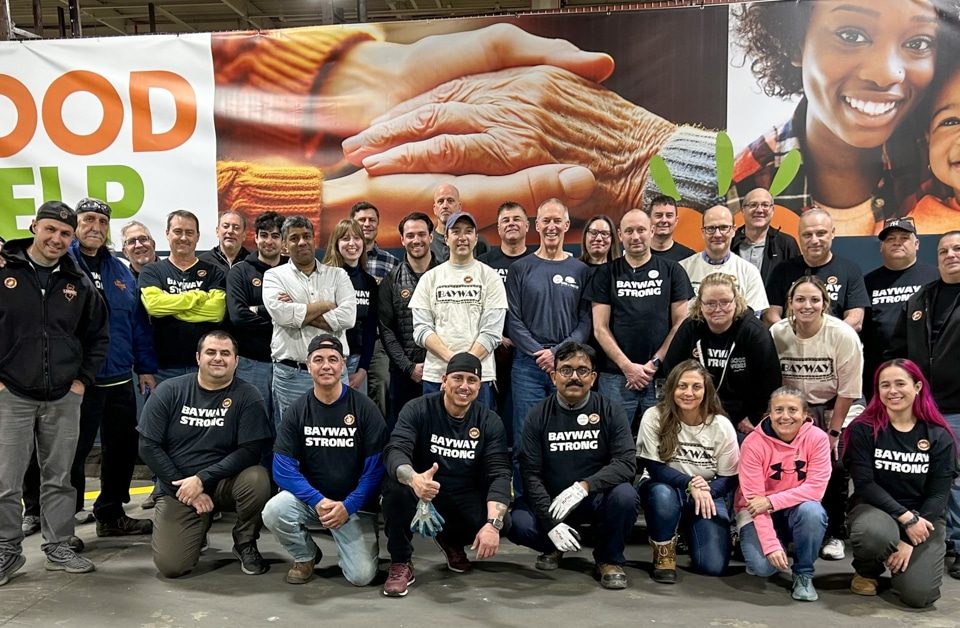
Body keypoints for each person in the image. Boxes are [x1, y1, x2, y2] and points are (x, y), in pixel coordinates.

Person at [729, 0, 944, 233]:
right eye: (851, 36)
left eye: (918, 43)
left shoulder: (942, 167)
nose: (886, 74)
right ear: (794, 42)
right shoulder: (743, 186)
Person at [0, 201, 109, 585]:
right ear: (34, 227)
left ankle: (59, 545)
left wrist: (81, 381)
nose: (57, 239)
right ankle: (6, 550)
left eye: (65, 233)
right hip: (10, 393)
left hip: (64, 394)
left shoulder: (77, 281)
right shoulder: (4, 271)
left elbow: (98, 335)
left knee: (60, 477)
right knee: (5, 479)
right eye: (50, 230)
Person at [138, 331, 273, 578]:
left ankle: (244, 541)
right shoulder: (169, 391)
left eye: (225, 353)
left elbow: (250, 451)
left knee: (258, 479)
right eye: (211, 352)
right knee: (172, 567)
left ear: (236, 360)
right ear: (198, 357)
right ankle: (197, 528)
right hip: (178, 486)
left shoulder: (248, 396)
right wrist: (185, 487)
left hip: (224, 483)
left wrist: (201, 479)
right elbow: (148, 446)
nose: (218, 358)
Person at [507, 342, 638, 589]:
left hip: (593, 499)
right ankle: (555, 546)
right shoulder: (537, 415)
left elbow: (626, 463)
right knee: (517, 524)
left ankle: (609, 559)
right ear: (554, 376)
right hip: (552, 502)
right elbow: (530, 473)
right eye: (566, 370)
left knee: (625, 495)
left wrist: (584, 487)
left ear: (593, 377)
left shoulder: (610, 410)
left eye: (582, 370)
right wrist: (551, 522)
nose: (574, 377)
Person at [380, 353, 511, 598]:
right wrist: (414, 479)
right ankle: (400, 562)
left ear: (479, 386)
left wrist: (493, 525)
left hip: (461, 492)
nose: (464, 385)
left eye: (472, 380)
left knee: (503, 521)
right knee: (395, 489)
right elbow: (395, 450)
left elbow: (500, 473)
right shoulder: (418, 408)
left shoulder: (489, 421)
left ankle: (451, 539)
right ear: (443, 381)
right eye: (458, 378)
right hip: (421, 490)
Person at [262, 335, 387, 586]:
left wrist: (348, 506)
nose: (326, 366)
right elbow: (282, 469)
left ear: (343, 365)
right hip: (312, 502)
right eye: (318, 360)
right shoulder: (298, 410)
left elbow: (376, 469)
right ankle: (306, 556)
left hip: (354, 506)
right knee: (274, 510)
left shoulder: (365, 409)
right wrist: (318, 501)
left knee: (361, 577)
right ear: (308, 366)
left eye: (333, 360)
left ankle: (353, 545)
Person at [67, 198, 157, 536]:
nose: (95, 227)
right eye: (88, 219)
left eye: (102, 222)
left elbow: (137, 324)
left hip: (119, 377)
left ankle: (111, 513)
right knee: (72, 453)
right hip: (77, 380)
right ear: (76, 224)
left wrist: (145, 367)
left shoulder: (119, 270)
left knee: (121, 450)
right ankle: (65, 523)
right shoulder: (63, 263)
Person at [844, 359, 958, 608]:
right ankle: (867, 570)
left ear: (917, 387)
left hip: (924, 518)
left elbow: (939, 495)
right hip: (876, 509)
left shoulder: (939, 435)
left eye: (900, 383)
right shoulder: (864, 429)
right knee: (873, 533)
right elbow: (864, 484)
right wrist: (906, 518)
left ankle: (901, 570)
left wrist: (910, 540)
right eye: (885, 385)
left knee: (919, 596)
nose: (892, 391)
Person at [770, 275, 864, 561]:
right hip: (795, 408)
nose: (807, 305)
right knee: (787, 464)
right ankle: (787, 530)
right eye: (800, 299)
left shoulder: (842, 334)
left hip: (837, 405)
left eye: (814, 299)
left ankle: (835, 532)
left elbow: (848, 390)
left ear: (825, 303)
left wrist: (832, 434)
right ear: (790, 303)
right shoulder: (777, 332)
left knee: (834, 465)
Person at [891, 231, 960, 570]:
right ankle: (939, 541)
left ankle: (959, 547)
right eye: (944, 250)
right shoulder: (921, 299)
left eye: (957, 249)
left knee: (957, 479)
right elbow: (900, 351)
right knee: (930, 475)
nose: (950, 255)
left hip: (958, 407)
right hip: (923, 406)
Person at [637, 360, 739, 583]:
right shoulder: (654, 416)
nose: (688, 393)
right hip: (666, 487)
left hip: (707, 492)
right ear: (671, 388)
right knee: (662, 495)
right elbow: (653, 467)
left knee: (712, 566)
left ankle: (685, 527)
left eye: (696, 387)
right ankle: (664, 552)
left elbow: (729, 478)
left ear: (706, 391)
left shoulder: (721, 425)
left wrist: (705, 491)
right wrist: (691, 484)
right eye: (682, 386)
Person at [587, 209, 692, 425]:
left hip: (660, 375)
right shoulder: (605, 273)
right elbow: (600, 327)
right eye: (629, 231)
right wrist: (627, 367)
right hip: (615, 375)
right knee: (615, 442)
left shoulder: (673, 271)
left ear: (652, 231)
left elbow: (680, 324)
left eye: (641, 230)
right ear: (620, 235)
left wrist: (653, 364)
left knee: (662, 441)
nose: (635, 237)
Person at [506, 199, 592, 462]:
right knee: (526, 434)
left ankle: (564, 497)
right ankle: (523, 498)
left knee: (567, 436)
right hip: (527, 365)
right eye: (546, 221)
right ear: (537, 225)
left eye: (557, 221)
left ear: (566, 225)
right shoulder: (520, 268)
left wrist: (557, 353)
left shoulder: (581, 270)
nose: (551, 227)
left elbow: (585, 322)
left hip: (569, 365)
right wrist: (540, 352)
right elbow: (513, 320)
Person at [735, 387, 830, 603]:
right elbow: (753, 502)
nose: (785, 416)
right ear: (769, 413)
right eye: (778, 410)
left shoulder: (818, 439)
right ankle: (769, 543)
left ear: (805, 414)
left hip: (794, 509)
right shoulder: (753, 443)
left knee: (813, 511)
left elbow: (816, 489)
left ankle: (804, 573)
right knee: (763, 568)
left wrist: (770, 501)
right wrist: (770, 545)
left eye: (792, 410)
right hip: (756, 513)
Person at [661, 272, 781, 437]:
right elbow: (671, 371)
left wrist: (753, 417)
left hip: (740, 419)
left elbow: (771, 380)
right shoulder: (690, 327)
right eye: (710, 303)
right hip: (696, 413)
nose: (718, 309)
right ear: (700, 305)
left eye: (725, 302)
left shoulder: (754, 331)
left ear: (736, 301)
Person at [263, 215, 356, 424]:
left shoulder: (338, 275)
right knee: (292, 438)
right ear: (285, 245)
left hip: (334, 372)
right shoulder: (274, 276)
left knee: (338, 432)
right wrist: (325, 305)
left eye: (307, 236)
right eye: (294, 238)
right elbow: (282, 314)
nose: (302, 242)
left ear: (315, 240)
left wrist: (297, 310)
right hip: (291, 374)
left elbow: (348, 317)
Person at [410, 211, 507, 409]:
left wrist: (465, 368)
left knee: (477, 436)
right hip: (437, 375)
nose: (462, 237)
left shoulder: (490, 278)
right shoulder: (430, 278)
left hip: (479, 376)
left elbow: (492, 333)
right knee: (435, 437)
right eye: (455, 231)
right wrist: (454, 363)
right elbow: (421, 330)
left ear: (476, 238)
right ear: (446, 238)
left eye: (468, 231)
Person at [139, 209, 227, 384]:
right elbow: (154, 306)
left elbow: (216, 311)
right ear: (167, 234)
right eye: (178, 231)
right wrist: (197, 296)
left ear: (197, 236)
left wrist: (170, 306)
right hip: (163, 368)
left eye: (189, 233)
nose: (184, 238)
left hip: (205, 366)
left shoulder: (214, 271)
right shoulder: (152, 271)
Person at [478, 201, 533, 446]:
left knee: (520, 417)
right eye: (505, 220)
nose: (511, 223)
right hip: (488, 351)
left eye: (516, 219)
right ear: (498, 229)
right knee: (488, 415)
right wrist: (495, 336)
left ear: (527, 226)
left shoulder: (537, 260)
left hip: (527, 353)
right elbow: (474, 306)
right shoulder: (483, 263)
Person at [861, 217, 937, 398]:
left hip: (926, 374)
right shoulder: (867, 282)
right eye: (890, 239)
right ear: (881, 247)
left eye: (903, 237)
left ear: (916, 244)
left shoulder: (936, 277)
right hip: (880, 374)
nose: (897, 242)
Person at [379, 212, 439, 427]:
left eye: (422, 234)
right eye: (410, 235)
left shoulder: (446, 275)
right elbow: (386, 330)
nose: (416, 240)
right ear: (402, 240)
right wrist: (409, 367)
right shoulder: (391, 280)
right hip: (405, 375)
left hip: (442, 372)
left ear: (431, 236)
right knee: (406, 433)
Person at [227, 211, 286, 428]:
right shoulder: (240, 271)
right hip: (252, 362)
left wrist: (257, 310)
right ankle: (256, 464)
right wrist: (282, 316)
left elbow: (304, 312)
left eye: (275, 235)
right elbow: (238, 316)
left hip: (288, 364)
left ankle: (280, 464)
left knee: (285, 423)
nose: (269, 241)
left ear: (283, 239)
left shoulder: (294, 269)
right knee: (254, 421)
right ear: (255, 237)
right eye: (264, 235)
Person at [763, 209, 869, 331]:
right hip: (792, 345)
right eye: (807, 235)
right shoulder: (782, 270)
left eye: (821, 233)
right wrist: (796, 336)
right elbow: (770, 317)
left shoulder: (850, 270)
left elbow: (855, 320)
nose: (814, 240)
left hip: (835, 346)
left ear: (833, 233)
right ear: (799, 235)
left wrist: (823, 338)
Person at [350, 201, 399, 419]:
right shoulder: (340, 262)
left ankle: (377, 447)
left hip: (378, 341)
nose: (367, 224)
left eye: (372, 220)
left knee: (380, 391)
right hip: (348, 341)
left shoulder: (391, 262)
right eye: (362, 220)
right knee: (349, 396)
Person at [322, 219, 378, 397]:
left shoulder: (369, 282)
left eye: (357, 238)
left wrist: (363, 369)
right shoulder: (324, 276)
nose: (352, 244)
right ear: (336, 244)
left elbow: (370, 329)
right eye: (345, 238)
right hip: (328, 361)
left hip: (356, 362)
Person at [679, 205, 769, 314]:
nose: (717, 234)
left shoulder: (749, 272)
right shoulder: (682, 269)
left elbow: (754, 319)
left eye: (723, 228)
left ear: (733, 230)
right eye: (711, 228)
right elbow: (678, 317)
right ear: (703, 232)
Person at [730, 188, 799, 283]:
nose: (759, 210)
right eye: (753, 205)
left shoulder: (786, 244)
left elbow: (796, 283)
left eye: (765, 205)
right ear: (743, 210)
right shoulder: (730, 242)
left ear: (773, 210)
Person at [428, 184, 489, 262]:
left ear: (459, 207)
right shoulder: (428, 242)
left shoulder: (477, 242)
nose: (445, 206)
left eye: (450, 201)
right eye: (440, 201)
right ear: (434, 209)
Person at [648, 195, 695, 262]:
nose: (664, 220)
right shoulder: (635, 254)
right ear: (649, 219)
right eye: (658, 215)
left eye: (669, 215)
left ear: (676, 220)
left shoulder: (689, 258)